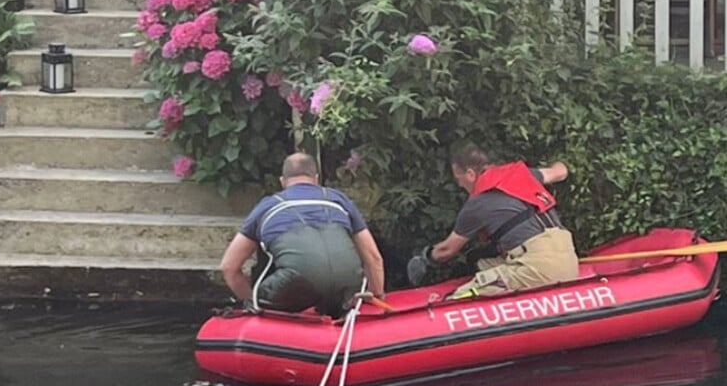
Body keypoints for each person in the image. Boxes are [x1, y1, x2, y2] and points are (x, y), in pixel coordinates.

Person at [219, 152, 385, 317]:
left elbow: (229, 267)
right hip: (347, 283)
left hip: (297, 284)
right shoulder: (338, 199)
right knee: (335, 290)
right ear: (316, 178)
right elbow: (373, 257)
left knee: (268, 291)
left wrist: (251, 302)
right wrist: (376, 297)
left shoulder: (266, 207)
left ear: (282, 182)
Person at [407, 141, 579, 299]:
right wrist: (560, 162)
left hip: (540, 266)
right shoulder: (526, 175)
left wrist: (425, 258)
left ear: (470, 174)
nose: (459, 184)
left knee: (460, 296)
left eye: (458, 178)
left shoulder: (476, 205)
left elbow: (447, 251)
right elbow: (560, 172)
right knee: (480, 262)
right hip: (569, 258)